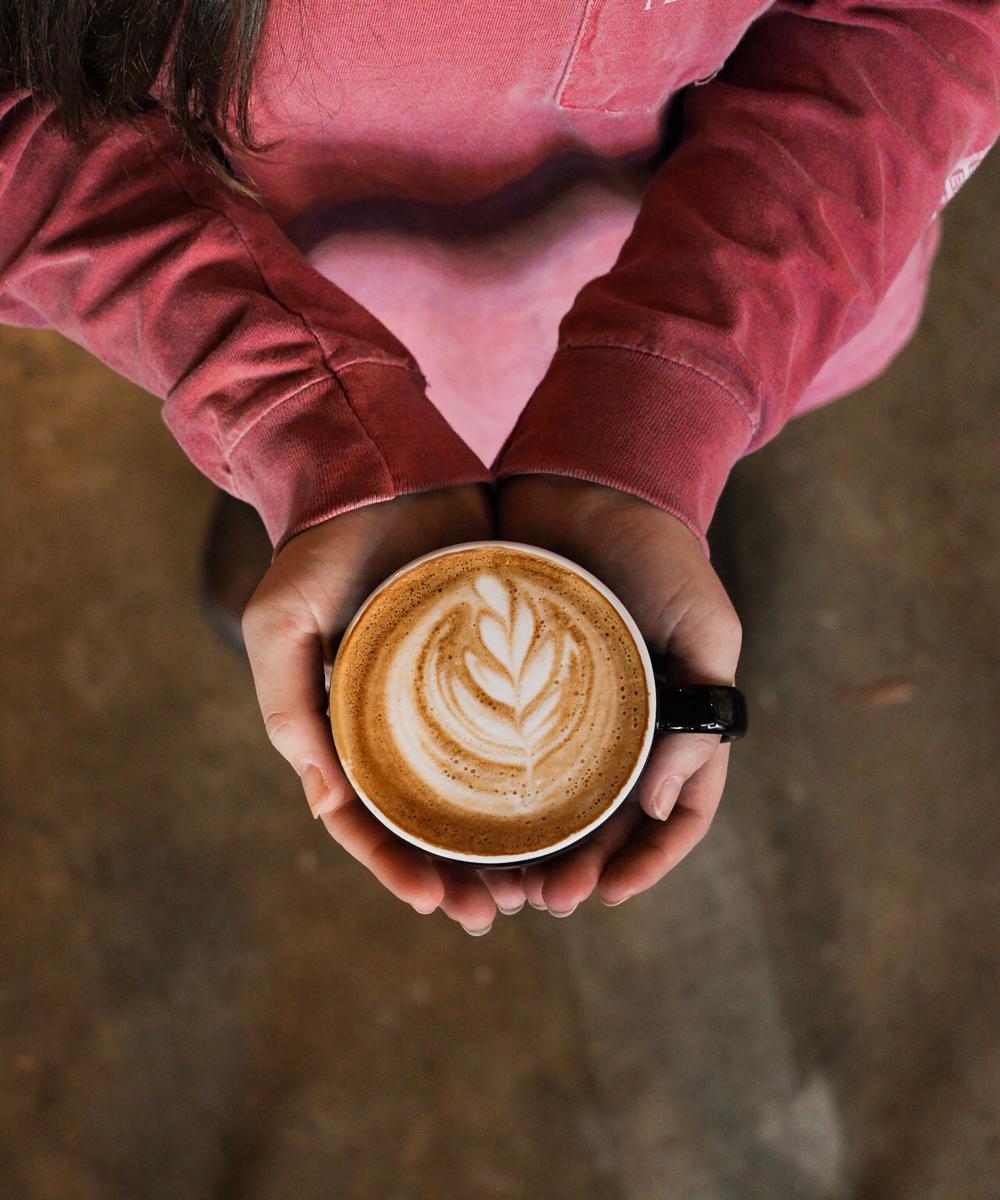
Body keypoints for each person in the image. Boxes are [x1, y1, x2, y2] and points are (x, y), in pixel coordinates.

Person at [1, 2, 996, 937]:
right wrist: (289, 418)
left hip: (712, 242)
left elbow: (918, 21)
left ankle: (666, 492)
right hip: (288, 267)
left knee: (682, 460)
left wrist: (667, 417)